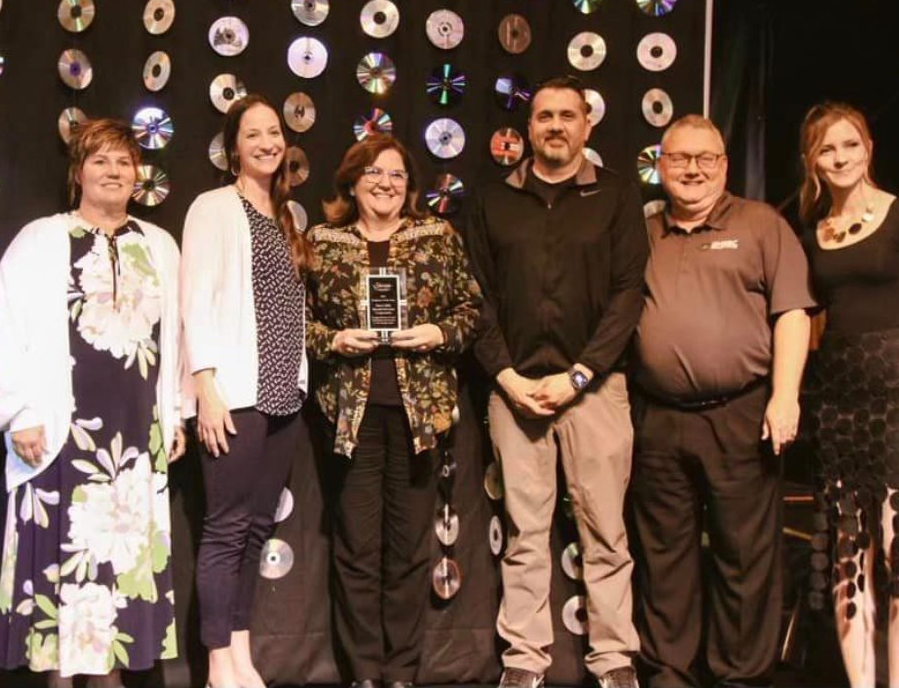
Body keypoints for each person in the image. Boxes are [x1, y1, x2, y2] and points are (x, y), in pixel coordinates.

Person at [0, 118, 185, 687]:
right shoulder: (41, 239)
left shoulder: (159, 245)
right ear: (78, 172)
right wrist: (20, 412)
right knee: (61, 555)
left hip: (132, 436)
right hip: (58, 431)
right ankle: (58, 676)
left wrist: (172, 413)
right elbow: (8, 327)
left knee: (119, 556)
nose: (114, 171)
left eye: (124, 162)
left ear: (138, 175)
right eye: (100, 160)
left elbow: (172, 338)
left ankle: (106, 675)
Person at [466, 75, 648, 688]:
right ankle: (524, 661)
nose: (555, 127)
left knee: (606, 532)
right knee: (525, 535)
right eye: (544, 116)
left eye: (567, 116)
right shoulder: (493, 202)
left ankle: (614, 658)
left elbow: (628, 296)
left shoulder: (618, 199)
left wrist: (579, 374)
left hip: (594, 390)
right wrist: (507, 376)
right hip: (515, 392)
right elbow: (478, 301)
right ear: (527, 129)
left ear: (586, 126)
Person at [631, 114, 814, 688]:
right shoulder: (639, 229)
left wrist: (785, 398)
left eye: (705, 158)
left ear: (724, 165)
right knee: (664, 556)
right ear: (660, 166)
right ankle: (669, 673)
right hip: (657, 416)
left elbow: (792, 315)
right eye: (680, 158)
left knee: (744, 556)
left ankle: (739, 676)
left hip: (742, 412)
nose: (692, 169)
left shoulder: (761, 224)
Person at [306, 134, 482, 688]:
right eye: (374, 172)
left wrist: (438, 332)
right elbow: (297, 323)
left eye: (397, 175)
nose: (385, 183)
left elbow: (471, 309)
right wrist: (334, 341)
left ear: (410, 186)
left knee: (407, 551)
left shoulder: (437, 237)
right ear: (352, 181)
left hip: (419, 420)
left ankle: (402, 673)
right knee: (357, 549)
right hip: (351, 420)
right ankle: (362, 673)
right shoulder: (323, 241)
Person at [181, 93, 309, 688]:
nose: (267, 142)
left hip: (284, 390)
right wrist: (204, 382)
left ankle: (240, 652)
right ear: (234, 146)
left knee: (258, 527)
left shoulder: (283, 212)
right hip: (234, 389)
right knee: (227, 525)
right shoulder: (215, 205)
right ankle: (215, 665)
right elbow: (196, 296)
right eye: (254, 133)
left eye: (274, 133)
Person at [798, 102, 899, 688]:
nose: (840, 158)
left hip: (895, 400)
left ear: (868, 148)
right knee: (847, 556)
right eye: (827, 149)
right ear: (811, 160)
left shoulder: (897, 214)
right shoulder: (811, 234)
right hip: (839, 403)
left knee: (895, 549)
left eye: (850, 145)